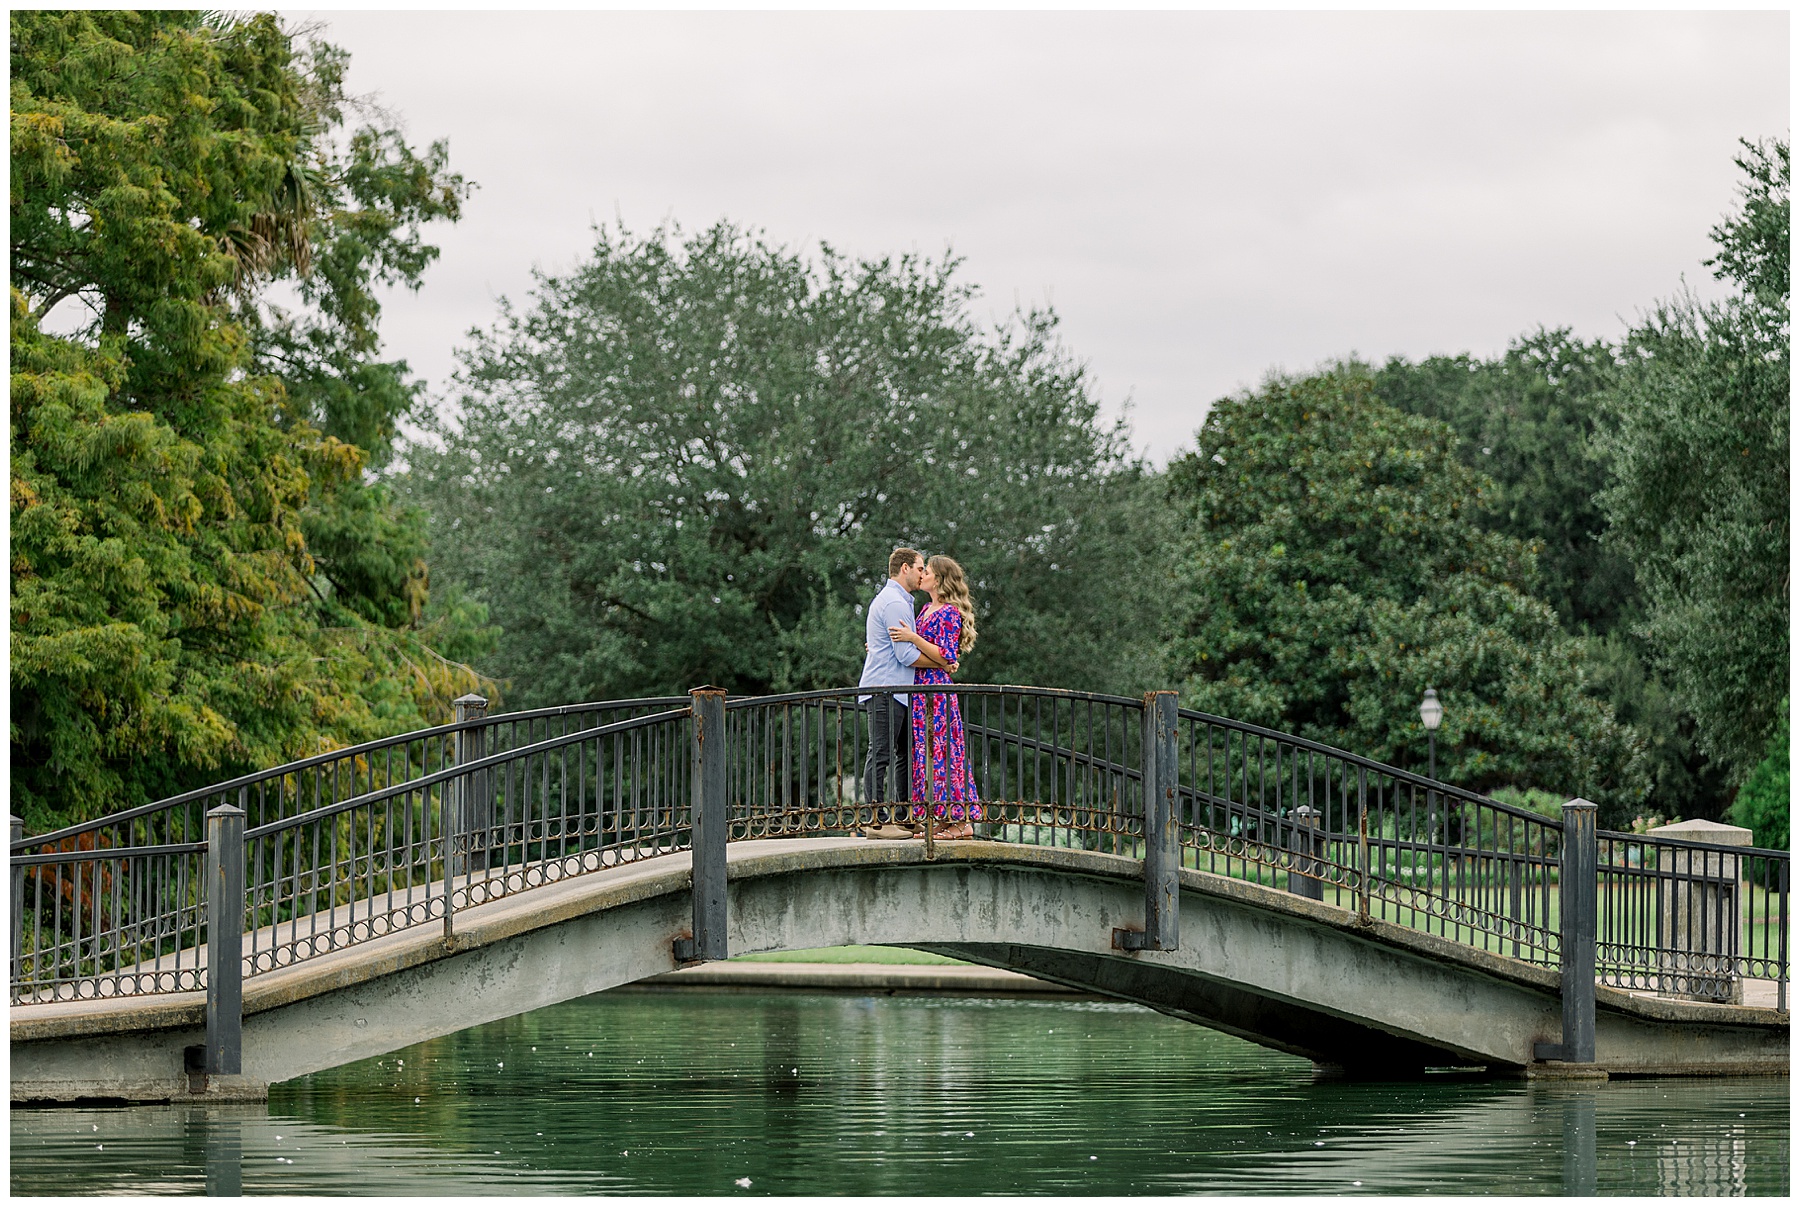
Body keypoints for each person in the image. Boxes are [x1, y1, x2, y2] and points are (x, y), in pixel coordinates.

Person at [857, 548, 954, 839]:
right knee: (882, 752)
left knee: (903, 754)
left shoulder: (899, 602)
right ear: (904, 569)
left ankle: (903, 816)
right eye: (920, 568)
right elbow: (905, 655)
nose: (923, 573)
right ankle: (876, 820)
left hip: (897, 691)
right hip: (885, 688)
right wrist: (943, 662)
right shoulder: (895, 604)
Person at [888, 555, 980, 840]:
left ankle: (961, 820)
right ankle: (942, 817)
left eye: (926, 570)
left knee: (945, 754)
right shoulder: (926, 608)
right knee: (926, 756)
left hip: (936, 693)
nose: (922, 574)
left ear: (938, 579)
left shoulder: (950, 612)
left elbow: (946, 654)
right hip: (919, 690)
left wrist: (915, 639)